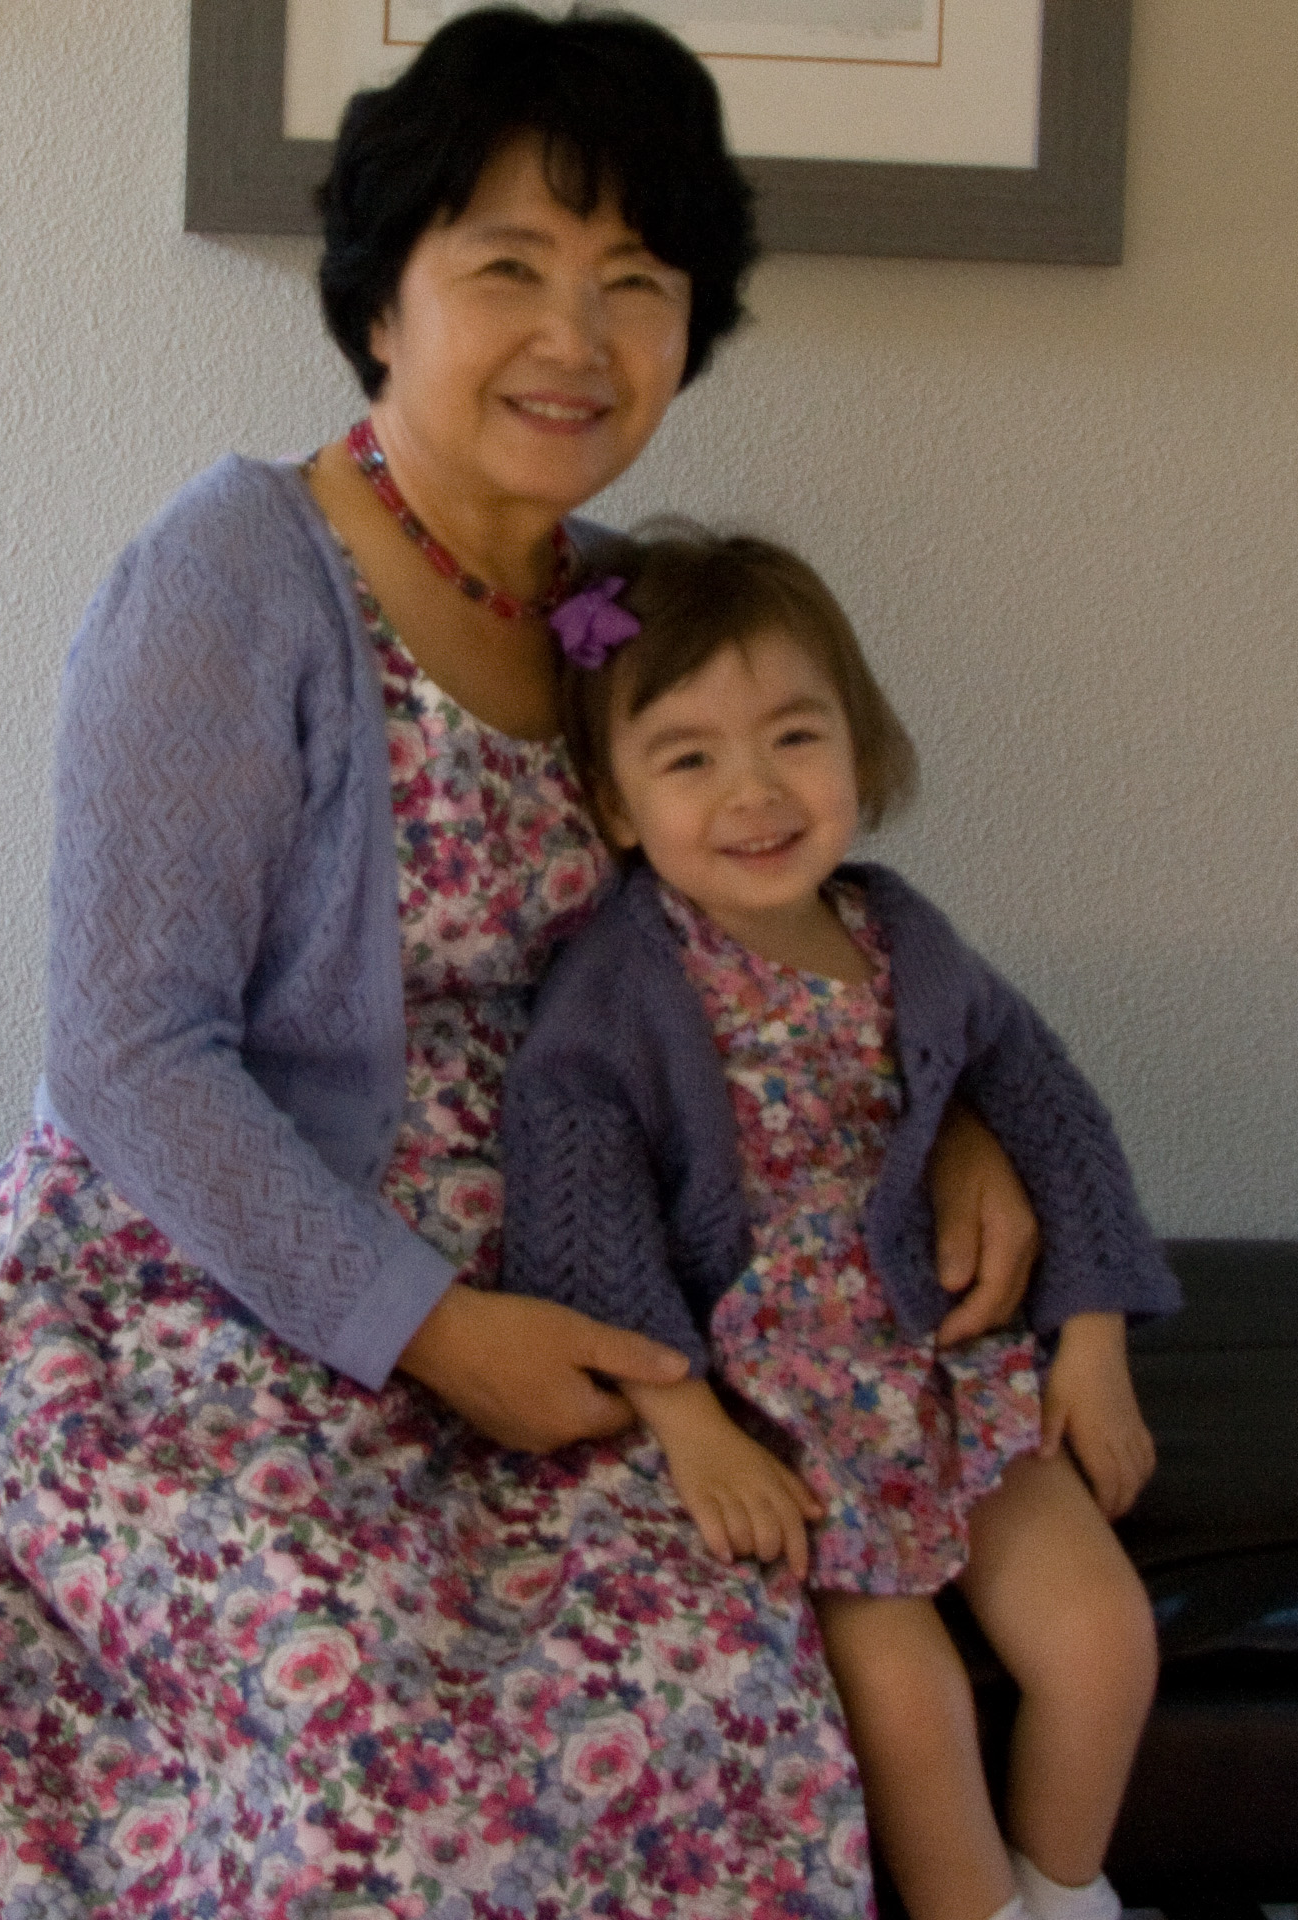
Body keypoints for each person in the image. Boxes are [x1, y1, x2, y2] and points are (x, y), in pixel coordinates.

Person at [0, 5, 1052, 1917]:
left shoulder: (627, 623)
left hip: (592, 1295)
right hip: (208, 1299)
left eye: (635, 283)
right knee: (388, 1791)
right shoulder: (233, 571)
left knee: (714, 1713)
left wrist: (954, 1123)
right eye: (508, 268)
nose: (577, 336)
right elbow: (130, 1054)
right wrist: (429, 1329)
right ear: (382, 301)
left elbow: (787, 933)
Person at [503, 525, 1182, 1920]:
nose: (754, 792)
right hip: (782, 1419)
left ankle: (1066, 1896)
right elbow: (585, 1230)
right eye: (690, 758)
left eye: (794, 739)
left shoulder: (904, 938)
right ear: (614, 805)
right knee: (909, 1703)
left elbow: (1053, 1112)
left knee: (1105, 1638)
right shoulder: (619, 993)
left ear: (860, 751)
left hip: (954, 1368)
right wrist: (690, 1427)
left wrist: (1094, 1340)